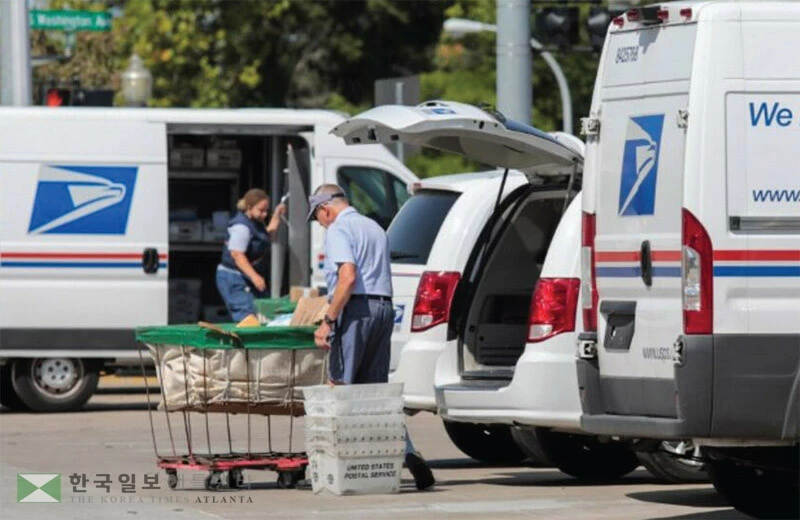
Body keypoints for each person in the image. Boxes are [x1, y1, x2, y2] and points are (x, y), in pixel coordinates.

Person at [308, 184, 435, 491]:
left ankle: (337, 467)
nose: (321, 223)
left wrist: (328, 320)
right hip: (383, 309)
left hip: (356, 311)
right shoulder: (374, 227)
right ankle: (407, 452)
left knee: (341, 387)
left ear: (326, 209)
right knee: (376, 394)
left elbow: (348, 277)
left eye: (318, 217)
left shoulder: (339, 229)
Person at [216, 188, 286, 322]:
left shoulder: (255, 223)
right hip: (234, 278)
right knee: (247, 315)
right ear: (249, 207)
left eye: (267, 210)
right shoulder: (241, 226)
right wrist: (255, 277)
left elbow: (268, 234)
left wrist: (277, 215)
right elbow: (237, 254)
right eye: (261, 210)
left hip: (246, 277)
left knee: (264, 312)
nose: (265, 214)